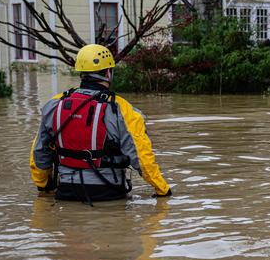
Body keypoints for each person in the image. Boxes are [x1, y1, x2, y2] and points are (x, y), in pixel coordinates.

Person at [29, 44, 171, 203]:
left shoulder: (54, 105)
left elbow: (39, 154)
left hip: (66, 192)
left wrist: (44, 187)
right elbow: (142, 158)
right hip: (109, 194)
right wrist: (163, 190)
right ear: (108, 73)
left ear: (81, 73)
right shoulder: (121, 108)